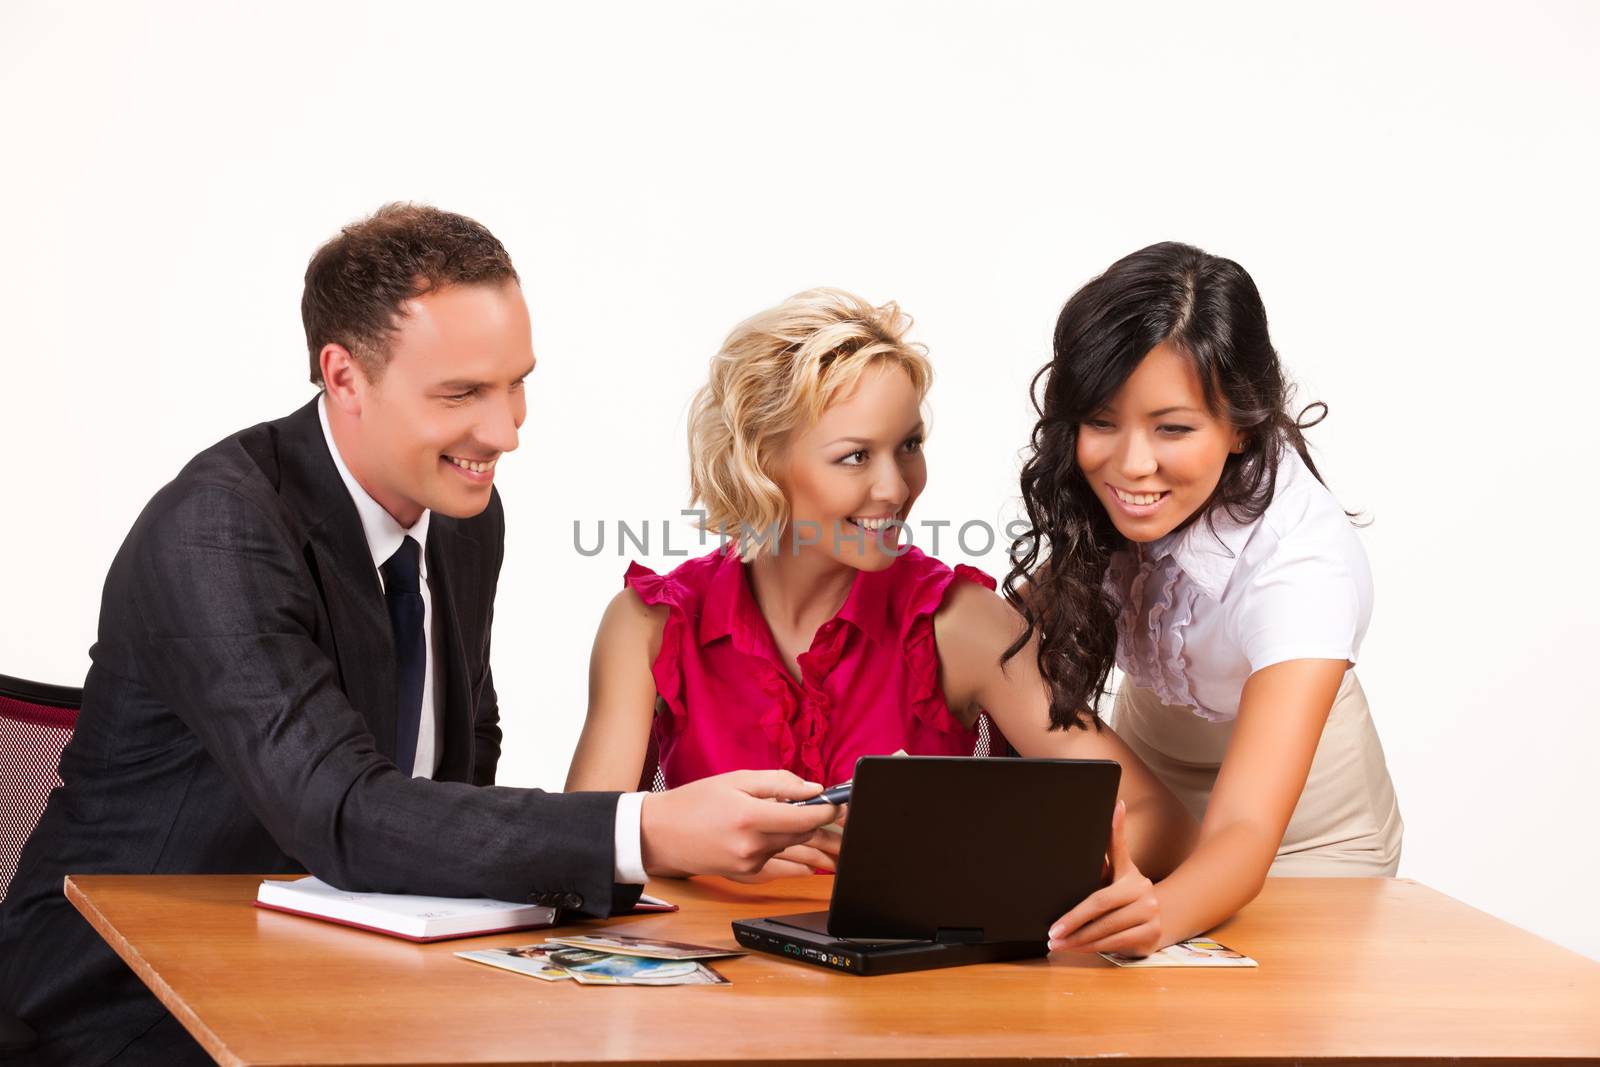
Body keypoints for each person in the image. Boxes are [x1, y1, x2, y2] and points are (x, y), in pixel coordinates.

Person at [0, 204, 838, 1066]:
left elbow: (464, 748)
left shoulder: (462, 512)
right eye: (462, 393)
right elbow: (343, 809)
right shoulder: (218, 530)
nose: (507, 431)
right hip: (123, 999)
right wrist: (644, 830)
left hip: (348, 967)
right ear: (344, 376)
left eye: (517, 382)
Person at [565, 288, 1196, 882]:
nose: (896, 488)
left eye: (909, 445)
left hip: (911, 992)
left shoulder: (961, 626)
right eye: (855, 456)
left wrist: (958, 852)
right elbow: (572, 848)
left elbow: (1157, 824)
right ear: (760, 462)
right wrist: (679, 849)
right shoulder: (647, 626)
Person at [1004, 242, 1404, 958]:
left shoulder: (1302, 561)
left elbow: (1244, 833)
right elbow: (1005, 640)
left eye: (1173, 428)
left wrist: (1153, 916)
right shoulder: (1102, 493)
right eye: (1101, 420)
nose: (1130, 463)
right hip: (1148, 798)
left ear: (1242, 421)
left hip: (1303, 837)